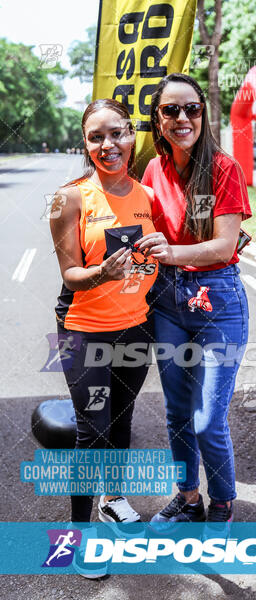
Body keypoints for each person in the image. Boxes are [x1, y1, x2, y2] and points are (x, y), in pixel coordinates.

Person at [137, 73, 252, 524]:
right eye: (171, 110)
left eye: (193, 109)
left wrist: (172, 252)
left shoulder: (224, 169)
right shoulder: (153, 169)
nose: (183, 118)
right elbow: (141, 226)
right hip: (167, 299)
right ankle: (188, 499)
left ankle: (221, 504)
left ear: (203, 115)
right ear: (158, 120)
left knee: (208, 419)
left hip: (217, 300)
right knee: (177, 411)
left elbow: (224, 246)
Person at [50, 98, 158, 529]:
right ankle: (78, 533)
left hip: (136, 328)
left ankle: (112, 499)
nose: (108, 144)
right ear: (86, 143)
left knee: (120, 421)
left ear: (132, 136)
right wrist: (101, 274)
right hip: (85, 330)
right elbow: (71, 274)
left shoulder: (147, 195)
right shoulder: (68, 198)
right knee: (91, 430)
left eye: (117, 133)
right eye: (96, 137)